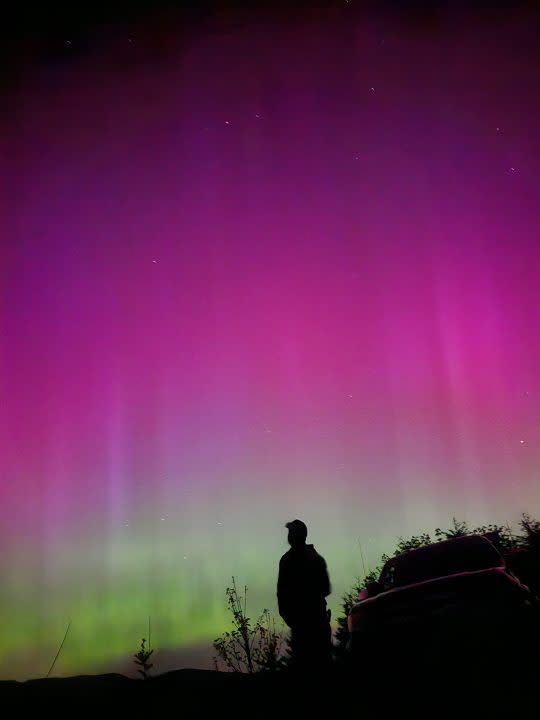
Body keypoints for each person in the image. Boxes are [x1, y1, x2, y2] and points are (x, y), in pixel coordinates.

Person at [277, 519, 332, 671]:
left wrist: (289, 615)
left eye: (290, 532)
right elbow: (326, 589)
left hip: (303, 624)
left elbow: (281, 593)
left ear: (294, 535)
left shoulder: (287, 560)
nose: (289, 536)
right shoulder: (316, 559)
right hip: (314, 621)